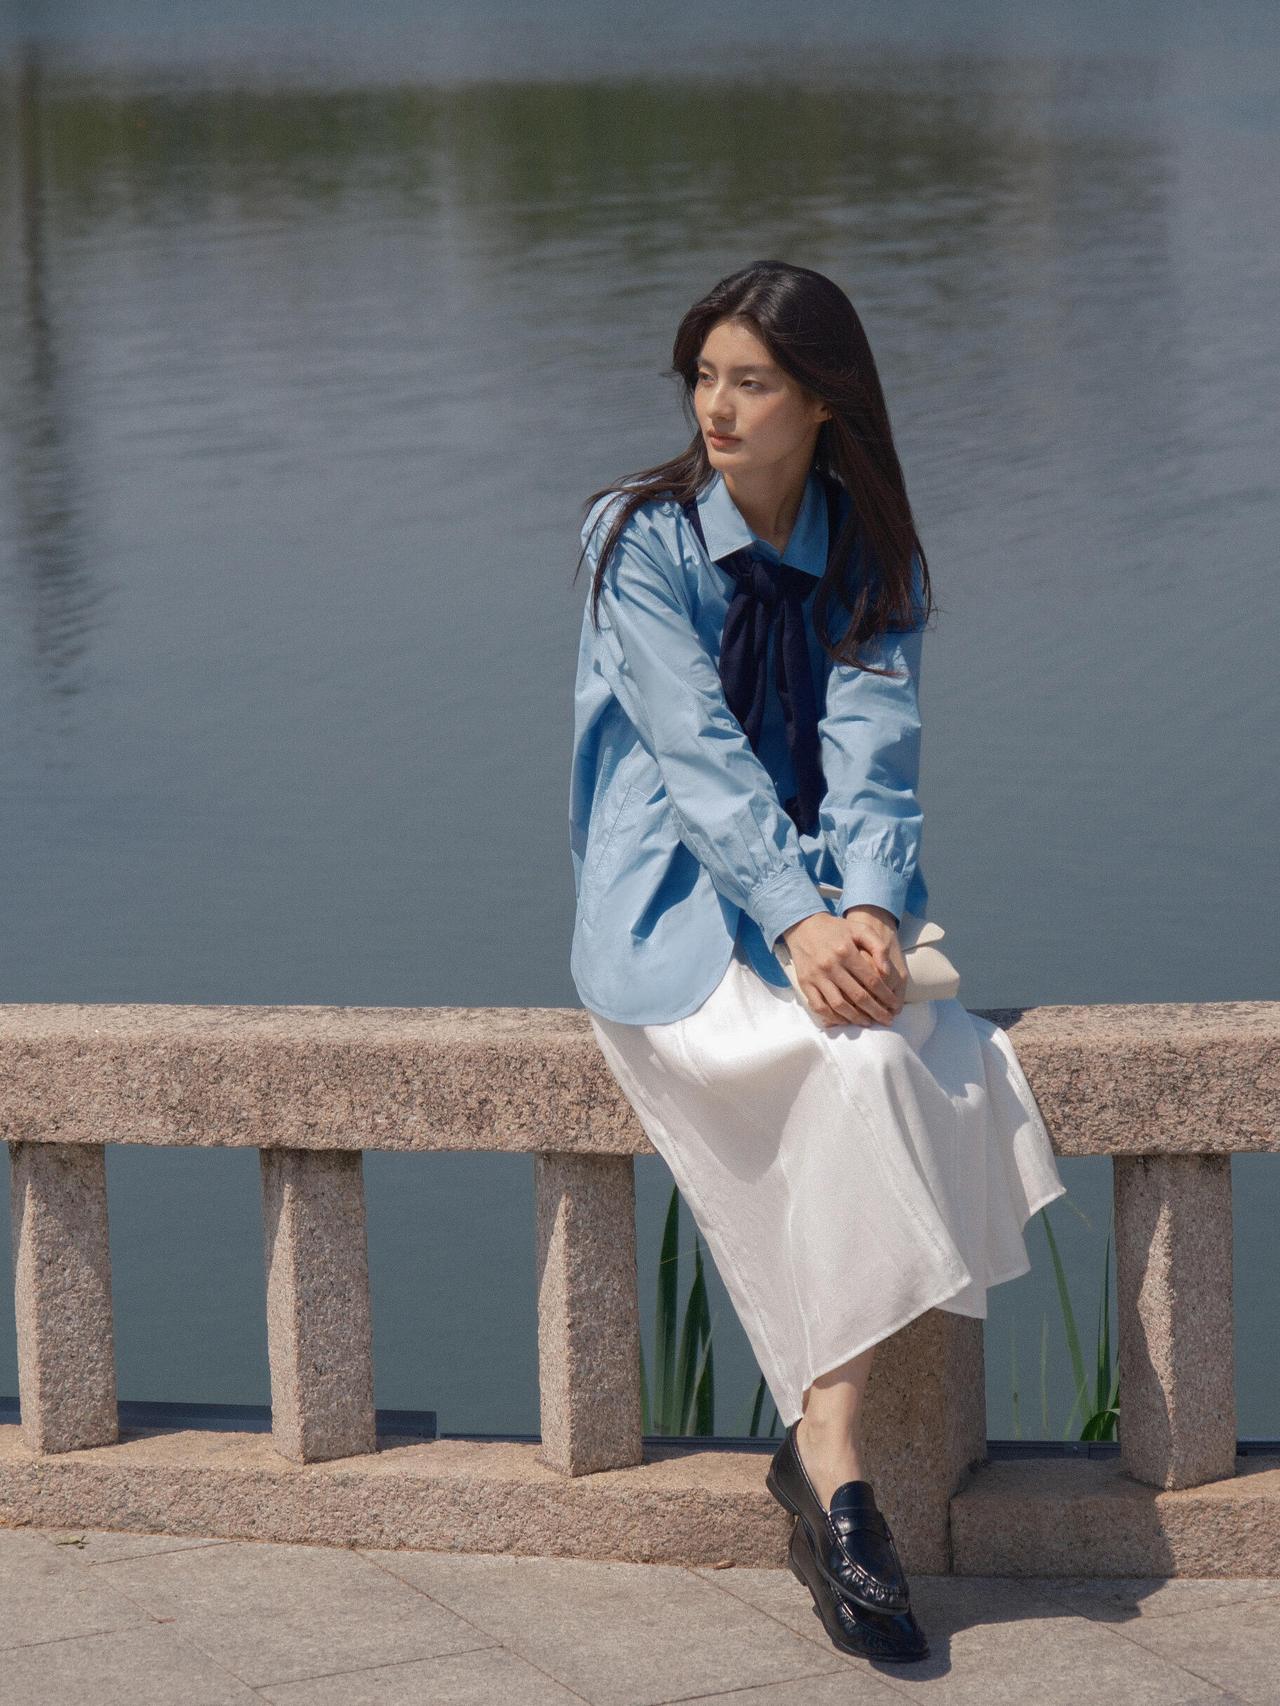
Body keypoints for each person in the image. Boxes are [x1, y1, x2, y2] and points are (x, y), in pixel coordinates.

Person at [567, 259, 1066, 1664]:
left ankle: (826, 1455)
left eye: (752, 382)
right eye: (704, 377)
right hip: (672, 903)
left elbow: (875, 762)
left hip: (814, 899)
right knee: (854, 1071)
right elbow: (697, 759)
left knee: (900, 1064)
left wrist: (871, 913)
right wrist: (798, 921)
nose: (716, 408)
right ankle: (838, 1475)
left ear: (824, 401)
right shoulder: (637, 537)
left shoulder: (869, 549)